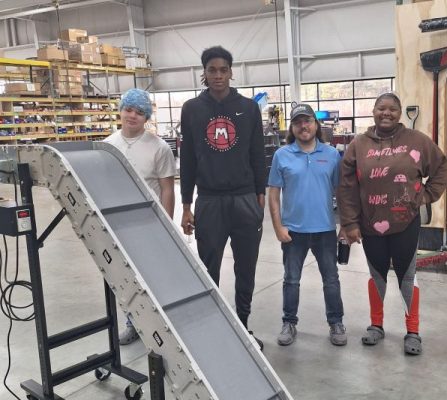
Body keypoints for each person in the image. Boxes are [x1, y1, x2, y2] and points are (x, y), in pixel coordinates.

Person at [337, 92, 447, 354]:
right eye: (381, 109)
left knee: (407, 276)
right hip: (370, 223)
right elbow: (346, 186)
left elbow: (441, 166)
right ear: (373, 112)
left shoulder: (417, 141)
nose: (386, 113)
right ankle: (376, 326)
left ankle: (413, 331)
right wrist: (349, 223)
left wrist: (424, 195)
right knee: (376, 273)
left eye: (392, 110)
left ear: (399, 114)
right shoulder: (359, 144)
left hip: (405, 222)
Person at [179, 46, 266, 349]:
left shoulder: (248, 107)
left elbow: (258, 154)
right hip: (209, 201)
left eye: (223, 70)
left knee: (246, 266)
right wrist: (186, 205)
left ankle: (243, 325)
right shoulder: (191, 109)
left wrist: (260, 196)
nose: (217, 75)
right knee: (208, 266)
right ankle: (213, 327)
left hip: (244, 199)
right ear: (203, 73)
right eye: (212, 70)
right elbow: (187, 159)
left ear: (231, 72)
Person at [268, 104, 347, 346]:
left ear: (316, 124)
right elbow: (273, 194)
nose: (304, 126)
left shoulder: (332, 155)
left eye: (308, 121)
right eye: (298, 122)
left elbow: (341, 191)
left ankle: (336, 323)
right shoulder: (282, 155)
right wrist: (278, 227)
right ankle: (289, 322)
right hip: (293, 232)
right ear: (292, 127)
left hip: (324, 230)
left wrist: (344, 224)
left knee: (331, 279)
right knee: (291, 279)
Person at [104, 88, 177, 345]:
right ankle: (132, 323)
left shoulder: (158, 147)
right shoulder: (107, 145)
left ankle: (159, 324)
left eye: (139, 112)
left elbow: (167, 188)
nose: (132, 115)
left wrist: (166, 224)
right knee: (124, 277)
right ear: (121, 111)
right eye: (128, 109)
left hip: (149, 223)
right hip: (117, 223)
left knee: (154, 275)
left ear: (146, 117)